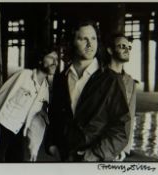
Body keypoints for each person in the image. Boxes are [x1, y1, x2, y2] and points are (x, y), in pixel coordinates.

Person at [46, 20, 130, 162]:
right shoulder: (61, 78)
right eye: (83, 39)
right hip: (67, 157)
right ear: (72, 42)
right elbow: (54, 115)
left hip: (95, 159)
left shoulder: (111, 79)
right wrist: (51, 144)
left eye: (93, 38)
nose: (90, 44)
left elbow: (121, 128)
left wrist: (95, 154)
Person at [0, 48, 59, 162]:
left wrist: (34, 147)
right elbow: (0, 99)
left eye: (57, 59)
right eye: (51, 57)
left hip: (18, 132)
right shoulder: (24, 75)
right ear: (41, 60)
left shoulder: (45, 89)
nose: (55, 62)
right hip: (1, 128)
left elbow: (37, 120)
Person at [106, 34, 137, 161]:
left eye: (129, 47)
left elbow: (130, 116)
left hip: (118, 145)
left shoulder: (130, 82)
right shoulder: (99, 77)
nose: (127, 50)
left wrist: (125, 148)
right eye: (122, 46)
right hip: (98, 144)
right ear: (110, 50)